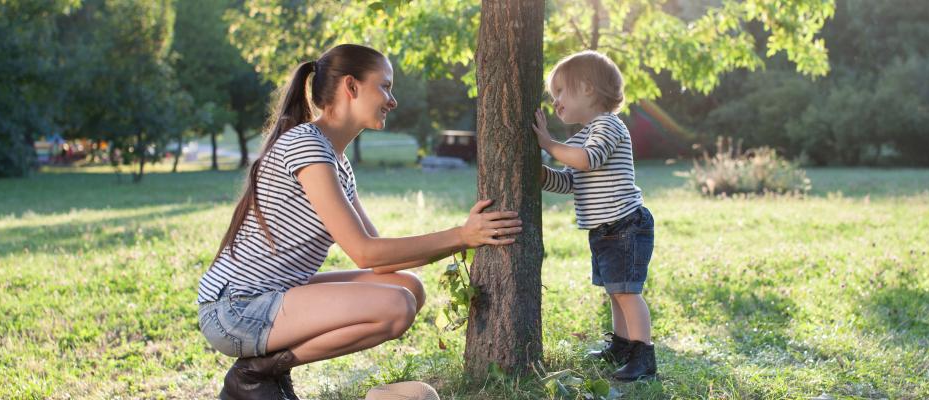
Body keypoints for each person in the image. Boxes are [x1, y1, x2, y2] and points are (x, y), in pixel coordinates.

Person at [196, 44, 523, 399]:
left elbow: (384, 259)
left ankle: (260, 373)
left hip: (272, 296)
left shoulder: (336, 159)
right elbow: (366, 254)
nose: (392, 100)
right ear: (351, 87)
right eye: (384, 86)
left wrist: (462, 236)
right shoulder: (307, 145)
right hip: (237, 309)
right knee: (395, 306)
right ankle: (256, 373)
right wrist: (462, 236)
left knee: (408, 287)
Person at [530, 50, 657, 381]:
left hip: (625, 224)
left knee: (627, 291)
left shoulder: (607, 125)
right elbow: (573, 179)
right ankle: (622, 346)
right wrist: (543, 174)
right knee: (615, 290)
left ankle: (644, 356)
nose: (555, 101)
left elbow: (588, 160)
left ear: (587, 88)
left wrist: (549, 143)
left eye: (560, 91)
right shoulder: (584, 135)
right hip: (605, 229)